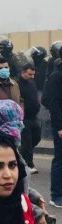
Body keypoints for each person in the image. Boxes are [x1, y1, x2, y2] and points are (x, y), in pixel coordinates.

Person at [18, 64, 41, 174]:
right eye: (29, 74)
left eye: (33, 75)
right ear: (23, 72)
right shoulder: (17, 84)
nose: (32, 76)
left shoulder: (32, 83)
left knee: (37, 137)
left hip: (34, 116)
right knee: (27, 141)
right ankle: (29, 164)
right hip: (24, 117)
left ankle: (21, 153)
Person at [46, 56, 62, 208]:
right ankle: (56, 195)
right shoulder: (56, 76)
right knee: (60, 160)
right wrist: (59, 127)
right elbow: (53, 103)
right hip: (61, 125)